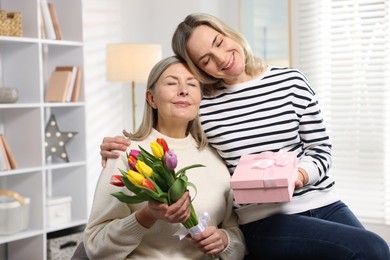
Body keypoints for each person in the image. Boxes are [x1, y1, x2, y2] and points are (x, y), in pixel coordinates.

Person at [99, 13, 390, 259]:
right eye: (206, 60)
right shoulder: (205, 104)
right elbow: (169, 131)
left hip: (325, 203)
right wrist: (121, 146)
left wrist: (298, 175)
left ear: (229, 34)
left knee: (379, 252)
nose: (221, 58)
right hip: (264, 219)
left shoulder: (291, 81)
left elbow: (321, 150)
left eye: (219, 42)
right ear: (200, 69)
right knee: (372, 248)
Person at [85, 56, 246, 260]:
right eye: (171, 83)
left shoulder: (216, 157)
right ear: (151, 98)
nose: (183, 90)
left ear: (200, 98)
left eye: (192, 84)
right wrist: (147, 216)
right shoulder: (126, 153)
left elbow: (236, 235)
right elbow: (95, 247)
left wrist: (225, 241)